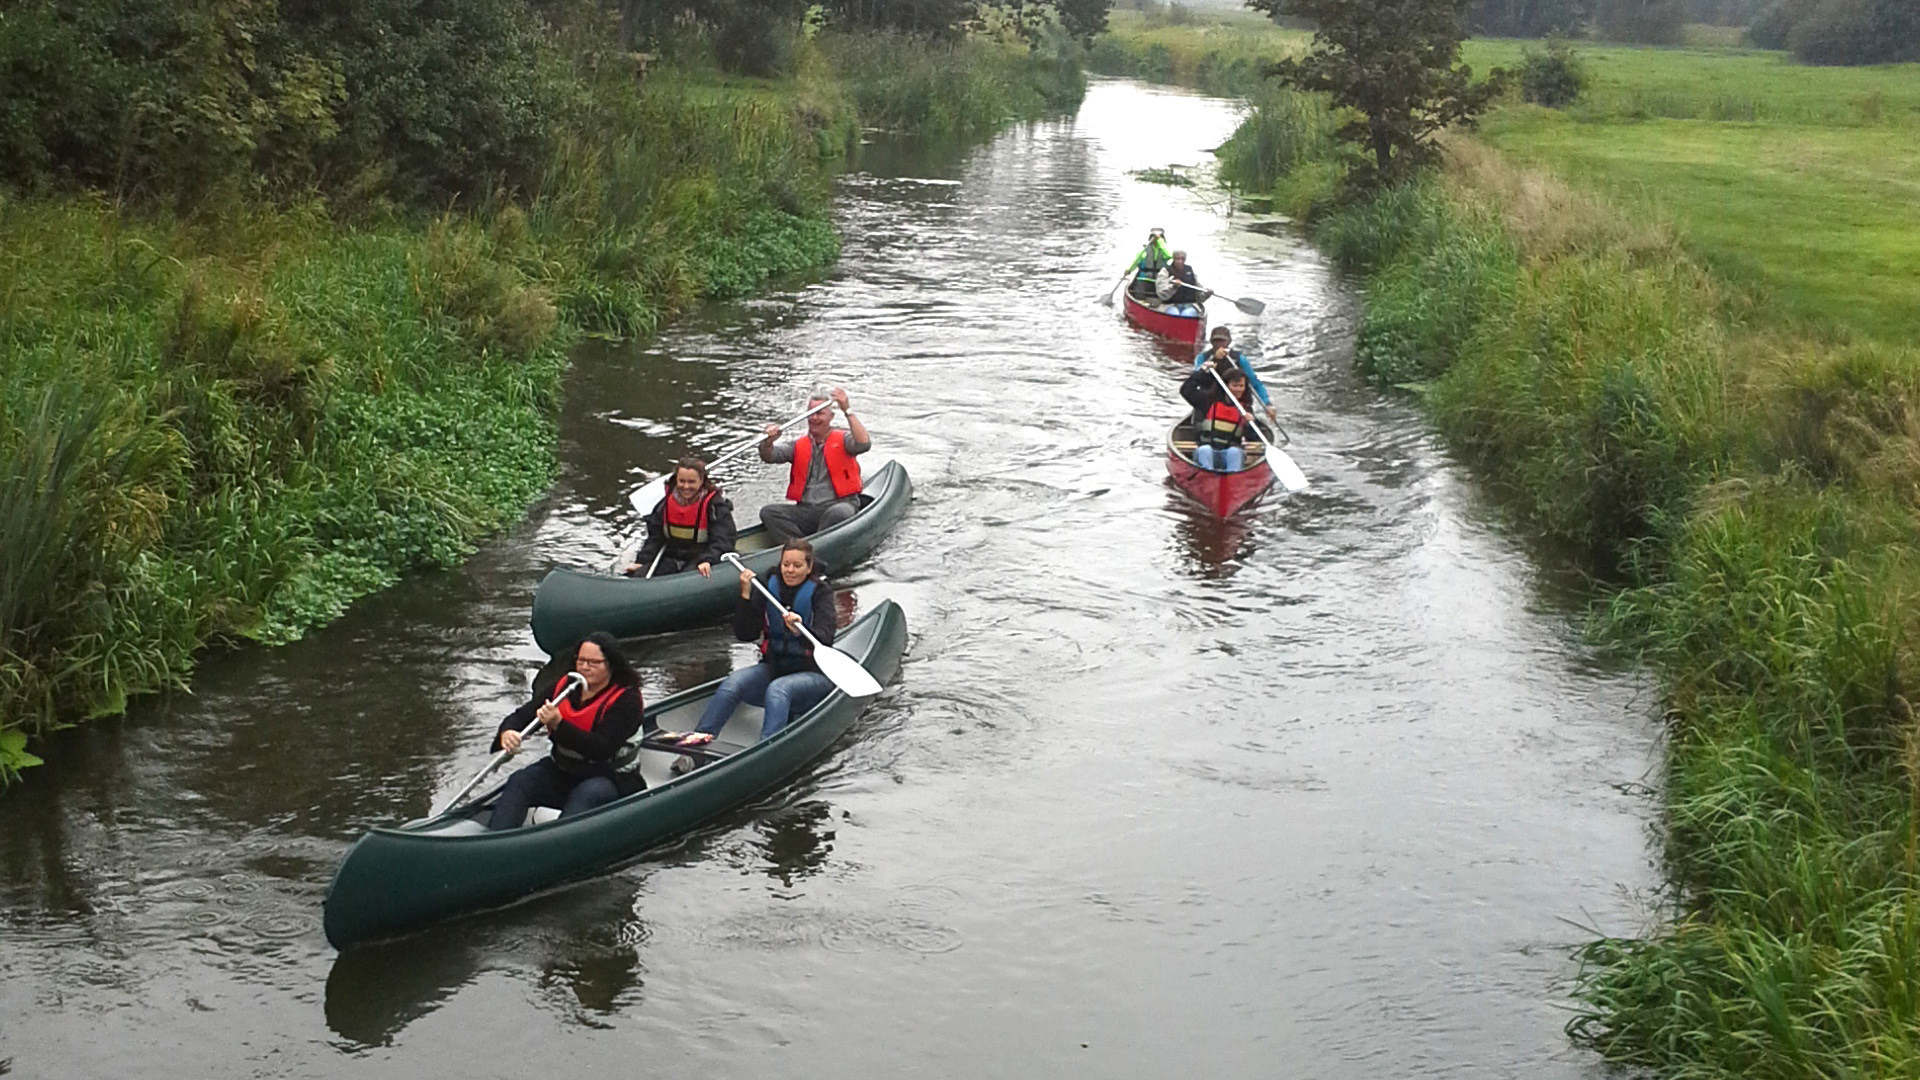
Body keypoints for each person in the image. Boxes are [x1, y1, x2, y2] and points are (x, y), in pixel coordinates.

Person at [671, 538, 838, 748]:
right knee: (733, 683)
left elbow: (826, 637)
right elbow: (745, 634)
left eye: (797, 566)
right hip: (774, 667)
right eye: (786, 564)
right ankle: (700, 739)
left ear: (809, 567)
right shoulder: (769, 586)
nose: (790, 570)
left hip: (814, 674)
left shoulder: (821, 593)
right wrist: (745, 595)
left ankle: (767, 750)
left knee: (778, 690)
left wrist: (799, 630)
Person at [486, 632, 647, 830]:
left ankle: (556, 845)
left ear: (610, 664)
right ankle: (497, 837)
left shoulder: (626, 699)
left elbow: (601, 748)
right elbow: (523, 715)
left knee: (587, 795)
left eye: (593, 663)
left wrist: (559, 724)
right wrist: (508, 732)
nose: (585, 667)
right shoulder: (564, 688)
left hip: (609, 777)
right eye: (581, 661)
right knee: (520, 781)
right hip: (563, 770)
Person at [758, 387, 870, 542]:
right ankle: (798, 546)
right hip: (806, 510)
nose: (814, 418)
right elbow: (769, 456)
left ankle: (814, 547)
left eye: (820, 413)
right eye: (811, 413)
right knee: (768, 512)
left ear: (831, 417)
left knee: (839, 513)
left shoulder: (844, 440)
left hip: (838, 505)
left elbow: (864, 444)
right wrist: (768, 441)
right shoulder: (798, 445)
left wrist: (847, 410)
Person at [622, 457, 736, 578]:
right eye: (682, 481)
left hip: (702, 557)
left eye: (691, 482)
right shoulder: (664, 504)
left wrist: (708, 559)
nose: (686, 486)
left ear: (701, 481)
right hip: (672, 557)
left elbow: (723, 540)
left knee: (690, 576)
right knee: (639, 574)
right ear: (676, 480)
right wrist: (642, 561)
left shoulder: (715, 506)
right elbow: (655, 537)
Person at [1180, 359, 1257, 473]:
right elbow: (1186, 390)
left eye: (1241, 386)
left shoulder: (1245, 408)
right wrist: (1202, 371)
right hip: (1206, 452)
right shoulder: (1208, 401)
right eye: (1234, 385)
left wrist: (1249, 424)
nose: (1238, 389)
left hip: (1230, 454)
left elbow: (1253, 438)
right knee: (1205, 450)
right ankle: (1207, 477)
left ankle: (1232, 480)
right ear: (1225, 386)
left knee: (1234, 452)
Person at [1193, 326, 1277, 426]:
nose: (1219, 344)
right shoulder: (1203, 358)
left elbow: (1255, 384)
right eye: (1216, 341)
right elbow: (1195, 378)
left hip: (1237, 404)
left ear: (1229, 342)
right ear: (1211, 342)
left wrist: (1267, 404)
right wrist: (1214, 359)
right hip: (1210, 404)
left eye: (1222, 341)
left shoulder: (1240, 359)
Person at [1124, 228, 1173, 300]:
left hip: (1159, 280)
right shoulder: (1145, 249)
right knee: (1139, 296)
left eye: (1158, 237)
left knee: (1163, 296)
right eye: (1153, 237)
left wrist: (1160, 242)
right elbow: (1136, 261)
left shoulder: (1164, 249)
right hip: (1144, 278)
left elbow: (1170, 256)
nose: (1155, 239)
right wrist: (1129, 270)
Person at [1155, 250, 1205, 314]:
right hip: (1170, 305)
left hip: (1189, 305)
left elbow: (1199, 294)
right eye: (1177, 259)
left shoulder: (1190, 270)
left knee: (1187, 314)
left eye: (1182, 259)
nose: (1180, 261)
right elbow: (1161, 294)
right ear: (1173, 259)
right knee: (1175, 314)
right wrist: (1173, 287)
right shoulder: (1165, 271)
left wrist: (1206, 293)